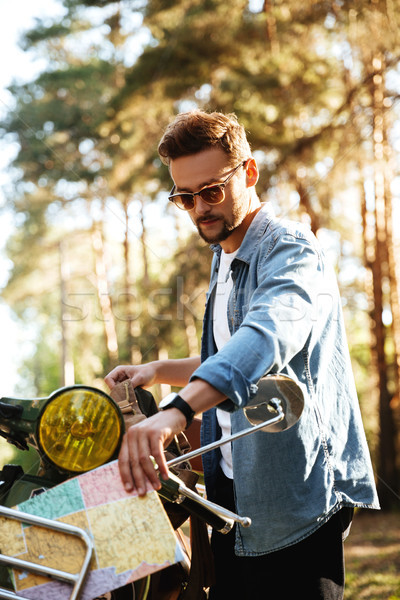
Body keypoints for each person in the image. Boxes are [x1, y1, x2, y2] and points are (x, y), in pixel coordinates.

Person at [105, 110, 379, 599]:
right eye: (184, 197)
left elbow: (266, 338)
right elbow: (229, 355)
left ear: (249, 174)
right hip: (232, 494)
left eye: (211, 191)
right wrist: (159, 371)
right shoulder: (224, 259)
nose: (198, 209)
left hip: (294, 495)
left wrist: (176, 412)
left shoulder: (291, 250)